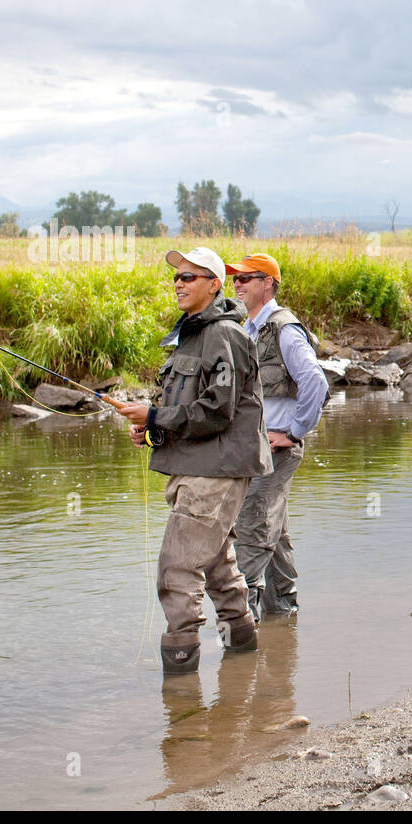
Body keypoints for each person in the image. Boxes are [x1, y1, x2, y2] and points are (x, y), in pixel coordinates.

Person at [116, 247, 273, 673]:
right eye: (176, 277)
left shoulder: (225, 336)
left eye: (190, 277)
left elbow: (218, 411)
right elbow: (192, 410)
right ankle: (244, 666)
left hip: (216, 473)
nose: (179, 284)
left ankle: (181, 693)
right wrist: (154, 429)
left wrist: (154, 416)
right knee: (219, 568)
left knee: (177, 570)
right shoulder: (191, 335)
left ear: (214, 284)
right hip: (198, 468)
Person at [226, 252, 329, 621]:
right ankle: (283, 615)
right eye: (234, 279)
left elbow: (316, 382)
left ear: (268, 283)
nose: (236, 284)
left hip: (276, 451)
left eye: (245, 278)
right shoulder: (248, 329)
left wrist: (295, 432)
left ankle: (240, 629)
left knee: (251, 525)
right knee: (276, 533)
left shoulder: (285, 329)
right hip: (253, 449)